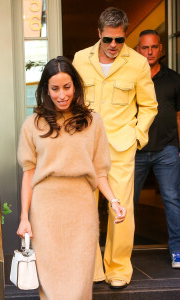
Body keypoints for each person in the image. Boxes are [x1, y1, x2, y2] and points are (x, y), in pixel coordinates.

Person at [16, 56, 127, 300]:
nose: (62, 94)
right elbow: (29, 174)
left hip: (81, 208)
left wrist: (114, 201)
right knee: (51, 281)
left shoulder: (93, 121)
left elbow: (100, 172)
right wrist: (24, 218)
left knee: (80, 281)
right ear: (46, 89)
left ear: (75, 86)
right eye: (55, 88)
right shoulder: (32, 124)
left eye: (67, 87)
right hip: (46, 209)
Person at [73, 7, 158, 288]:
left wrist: (137, 136)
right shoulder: (79, 60)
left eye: (119, 40)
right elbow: (72, 101)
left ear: (126, 36)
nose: (113, 46)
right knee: (86, 209)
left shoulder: (137, 63)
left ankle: (118, 268)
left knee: (120, 209)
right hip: (85, 147)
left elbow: (149, 106)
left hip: (121, 148)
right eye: (108, 39)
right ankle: (93, 267)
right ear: (98, 33)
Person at [134, 29, 180, 268]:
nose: (149, 52)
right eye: (145, 47)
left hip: (167, 149)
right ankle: (119, 252)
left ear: (160, 49)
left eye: (154, 47)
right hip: (135, 149)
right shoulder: (131, 77)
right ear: (138, 50)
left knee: (172, 199)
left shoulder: (174, 79)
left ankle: (178, 251)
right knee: (126, 202)